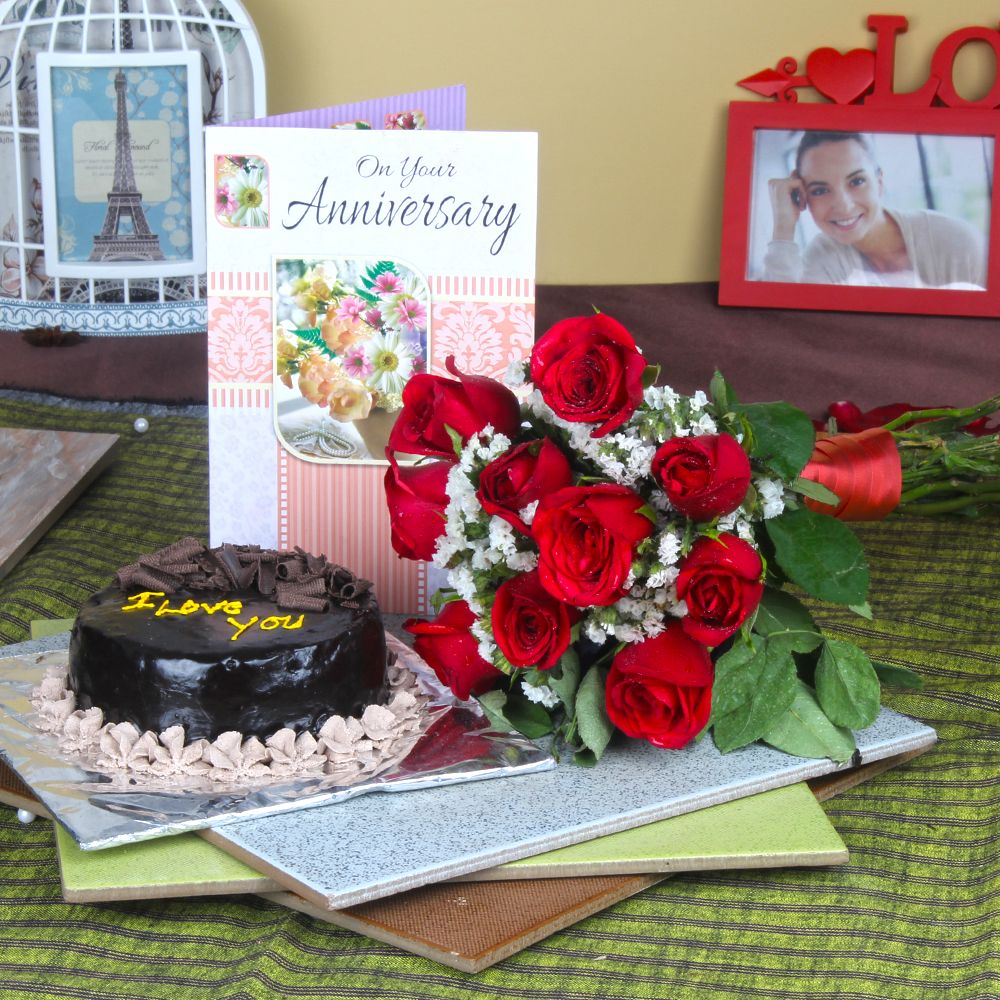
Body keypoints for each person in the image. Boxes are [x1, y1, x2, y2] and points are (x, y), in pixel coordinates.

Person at [762, 130, 987, 289]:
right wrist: (783, 227)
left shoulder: (957, 242)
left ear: (879, 182)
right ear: (802, 197)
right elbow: (782, 328)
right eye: (820, 190)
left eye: (857, 181)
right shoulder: (822, 257)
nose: (843, 205)